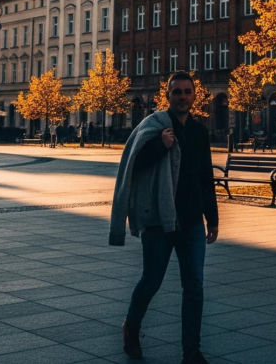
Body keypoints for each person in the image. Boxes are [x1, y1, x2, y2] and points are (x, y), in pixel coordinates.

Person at [110, 72, 218, 363]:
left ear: (195, 95)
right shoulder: (156, 127)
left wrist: (213, 217)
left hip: (192, 220)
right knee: (152, 280)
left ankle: (191, 352)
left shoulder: (199, 132)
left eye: (187, 91)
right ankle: (131, 327)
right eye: (177, 92)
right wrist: (161, 145)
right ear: (167, 96)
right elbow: (135, 163)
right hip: (159, 219)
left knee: (194, 286)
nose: (182, 97)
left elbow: (206, 177)